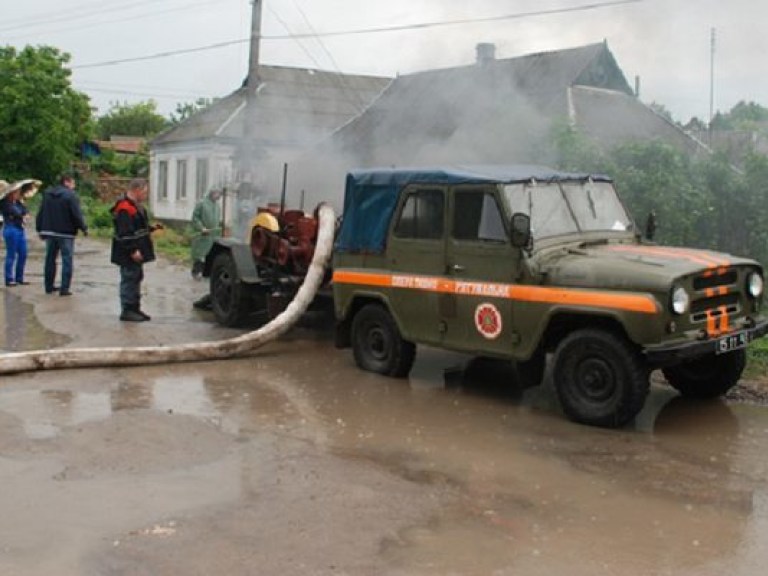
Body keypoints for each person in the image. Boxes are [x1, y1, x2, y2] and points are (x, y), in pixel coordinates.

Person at [110, 178, 162, 322]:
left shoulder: (136, 206)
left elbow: (137, 227)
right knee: (129, 279)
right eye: (145, 192)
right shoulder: (125, 208)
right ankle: (127, 310)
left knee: (136, 278)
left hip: (137, 250)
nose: (146, 195)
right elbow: (124, 232)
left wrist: (151, 228)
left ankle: (135, 308)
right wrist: (133, 250)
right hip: (128, 253)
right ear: (137, 190)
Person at [36, 174, 88, 296]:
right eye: (73, 183)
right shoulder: (70, 196)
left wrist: (40, 228)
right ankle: (64, 288)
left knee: (50, 259)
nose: (74, 186)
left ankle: (48, 287)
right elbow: (76, 214)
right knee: (67, 260)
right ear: (67, 182)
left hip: (49, 231)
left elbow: (41, 212)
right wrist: (83, 228)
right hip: (66, 232)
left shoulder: (47, 194)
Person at [1, 180, 32, 286]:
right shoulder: (5, 203)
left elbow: (25, 211)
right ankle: (9, 278)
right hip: (11, 228)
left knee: (23, 253)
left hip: (19, 229)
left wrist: (25, 213)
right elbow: (17, 213)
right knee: (11, 254)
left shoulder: (18, 202)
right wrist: (22, 215)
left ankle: (19, 277)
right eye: (17, 192)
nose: (19, 194)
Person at [190, 187, 222, 279]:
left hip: (213, 235)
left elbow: (217, 220)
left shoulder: (217, 206)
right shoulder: (202, 203)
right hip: (202, 235)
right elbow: (195, 218)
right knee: (200, 255)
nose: (218, 196)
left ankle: (206, 272)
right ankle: (196, 272)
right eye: (217, 193)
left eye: (219, 194)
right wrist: (201, 228)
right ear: (212, 193)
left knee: (210, 254)